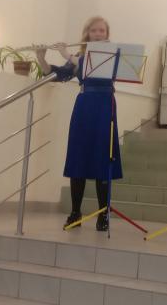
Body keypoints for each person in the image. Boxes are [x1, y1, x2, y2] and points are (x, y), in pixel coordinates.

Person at [35, 16, 121, 231]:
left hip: (105, 107)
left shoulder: (112, 54)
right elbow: (57, 75)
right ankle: (75, 213)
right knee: (78, 157)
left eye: (102, 31)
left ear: (107, 34)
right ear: (87, 34)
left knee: (103, 158)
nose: (98, 34)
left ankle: (103, 215)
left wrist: (67, 55)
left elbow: (94, 69)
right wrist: (41, 58)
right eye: (94, 31)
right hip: (84, 106)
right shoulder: (79, 56)